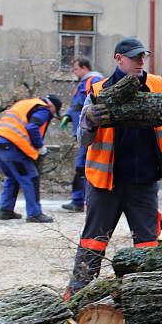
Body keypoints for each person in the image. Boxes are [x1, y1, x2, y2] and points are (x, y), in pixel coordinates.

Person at [65, 38, 162, 300]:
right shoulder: (99, 90)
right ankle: (77, 297)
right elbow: (82, 139)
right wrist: (90, 121)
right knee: (93, 242)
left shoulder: (159, 86)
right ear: (118, 58)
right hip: (106, 182)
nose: (140, 61)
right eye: (134, 57)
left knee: (147, 244)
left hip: (144, 181)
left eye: (142, 57)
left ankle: (146, 299)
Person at [0, 95, 63, 223]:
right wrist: (40, 147)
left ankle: (6, 210)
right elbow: (32, 127)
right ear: (52, 106)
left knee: (12, 176)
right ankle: (34, 214)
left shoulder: (26, 103)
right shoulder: (43, 109)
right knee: (31, 177)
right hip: (11, 144)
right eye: (54, 112)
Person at [59, 58, 104, 212]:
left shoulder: (93, 80)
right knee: (82, 168)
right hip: (84, 131)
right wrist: (68, 115)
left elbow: (88, 104)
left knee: (82, 167)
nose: (74, 72)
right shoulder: (86, 82)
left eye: (76, 69)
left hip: (89, 132)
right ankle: (81, 201)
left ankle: (80, 202)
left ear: (84, 68)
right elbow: (78, 105)